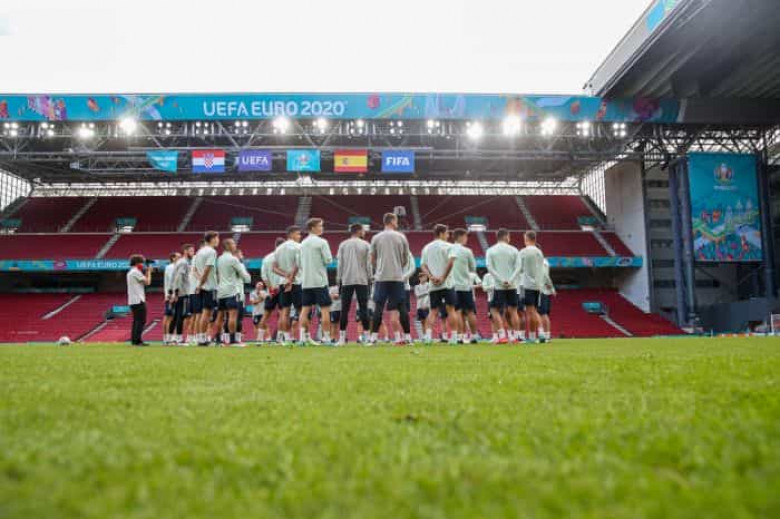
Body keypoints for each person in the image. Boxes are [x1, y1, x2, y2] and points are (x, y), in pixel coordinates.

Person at [368, 213, 411, 345]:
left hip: (381, 277)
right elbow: (405, 258)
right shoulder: (401, 237)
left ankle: (373, 338)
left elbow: (372, 258)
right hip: (397, 277)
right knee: (402, 307)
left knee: (378, 307)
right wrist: (398, 266)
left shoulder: (376, 237)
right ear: (392, 221)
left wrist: (379, 268)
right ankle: (408, 338)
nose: (397, 222)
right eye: (396, 220)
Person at [421, 224, 459, 344]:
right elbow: (451, 262)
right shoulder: (449, 246)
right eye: (447, 233)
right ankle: (454, 338)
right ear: (441, 233)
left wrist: (431, 277)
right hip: (447, 283)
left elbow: (423, 265)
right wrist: (443, 277)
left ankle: (428, 337)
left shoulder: (426, 247)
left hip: (433, 285)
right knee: (451, 310)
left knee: (433, 311)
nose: (448, 236)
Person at [336, 223, 372, 345]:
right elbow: (368, 264)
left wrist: (339, 279)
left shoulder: (343, 244)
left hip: (347, 280)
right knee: (364, 309)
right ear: (359, 231)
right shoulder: (366, 245)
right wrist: (370, 277)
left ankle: (341, 338)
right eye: (363, 230)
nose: (364, 232)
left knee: (344, 309)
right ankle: (367, 337)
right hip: (362, 280)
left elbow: (340, 264)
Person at [299, 218, 333, 345]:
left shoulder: (302, 243)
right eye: (320, 226)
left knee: (305, 310)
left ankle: (302, 338)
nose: (322, 228)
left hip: (306, 282)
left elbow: (299, 263)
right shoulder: (322, 242)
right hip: (320, 281)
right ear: (313, 228)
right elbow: (328, 260)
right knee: (325, 310)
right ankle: (327, 338)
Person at [485, 228, 522, 344]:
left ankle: (502, 336)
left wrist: (501, 280)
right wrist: (510, 280)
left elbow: (490, 267)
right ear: (506, 236)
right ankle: (516, 337)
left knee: (494, 310)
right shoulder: (514, 250)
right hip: (512, 285)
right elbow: (518, 267)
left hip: (499, 286)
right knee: (513, 311)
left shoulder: (490, 250)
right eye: (509, 236)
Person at [215, 238, 251, 346]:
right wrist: (247, 277)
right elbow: (246, 277)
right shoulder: (233, 259)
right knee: (232, 315)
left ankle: (218, 340)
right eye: (233, 244)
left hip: (221, 291)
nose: (235, 245)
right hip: (232, 290)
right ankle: (232, 340)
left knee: (220, 316)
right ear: (228, 246)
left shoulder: (219, 259)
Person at [515, 231, 546, 344]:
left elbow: (518, 268)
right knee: (533, 310)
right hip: (537, 285)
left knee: (530, 311)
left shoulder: (523, 251)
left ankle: (539, 334)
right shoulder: (539, 252)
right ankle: (534, 336)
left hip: (526, 284)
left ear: (527, 239)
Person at [273, 226, 303, 345]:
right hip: (296, 282)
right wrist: (290, 279)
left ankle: (286, 338)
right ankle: (303, 337)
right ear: (291, 234)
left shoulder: (278, 248)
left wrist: (285, 275)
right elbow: (298, 264)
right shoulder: (298, 247)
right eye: (298, 234)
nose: (300, 236)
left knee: (285, 311)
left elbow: (274, 268)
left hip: (283, 283)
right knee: (301, 310)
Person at [450, 228, 478, 344]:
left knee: (457, 311)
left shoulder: (448, 249)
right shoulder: (467, 251)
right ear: (461, 236)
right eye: (465, 236)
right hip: (465, 285)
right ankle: (474, 336)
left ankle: (460, 337)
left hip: (453, 286)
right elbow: (473, 268)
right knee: (470, 311)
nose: (466, 239)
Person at [194, 231, 219, 346]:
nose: (218, 240)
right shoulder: (212, 251)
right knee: (207, 313)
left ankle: (201, 338)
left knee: (203, 313)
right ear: (212, 239)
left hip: (203, 285)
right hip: (209, 286)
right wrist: (201, 283)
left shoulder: (199, 251)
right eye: (217, 238)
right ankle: (203, 339)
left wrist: (200, 283)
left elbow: (195, 270)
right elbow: (207, 270)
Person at [260, 237, 285, 343]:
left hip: (271, 289)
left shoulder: (267, 258)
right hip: (282, 289)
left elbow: (263, 276)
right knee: (283, 313)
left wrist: (270, 288)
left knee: (266, 315)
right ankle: (279, 339)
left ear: (275, 245)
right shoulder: (284, 258)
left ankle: (259, 338)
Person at [171, 244, 195, 345]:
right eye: (191, 251)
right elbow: (178, 278)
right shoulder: (183, 262)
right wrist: (176, 293)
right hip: (183, 293)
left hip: (181, 292)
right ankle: (179, 339)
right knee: (181, 316)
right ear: (185, 251)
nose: (193, 253)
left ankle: (174, 338)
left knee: (178, 316)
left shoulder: (182, 262)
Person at [126, 254, 152, 346]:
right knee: (141, 320)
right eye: (142, 262)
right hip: (138, 299)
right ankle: (138, 340)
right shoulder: (136, 272)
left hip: (133, 300)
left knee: (136, 320)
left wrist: (146, 272)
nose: (143, 265)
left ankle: (135, 340)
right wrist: (149, 272)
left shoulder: (131, 272)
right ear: (137, 263)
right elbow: (147, 282)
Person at [162, 252, 180, 345]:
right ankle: (168, 338)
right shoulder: (171, 267)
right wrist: (171, 295)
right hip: (172, 295)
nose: (180, 258)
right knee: (169, 317)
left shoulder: (171, 267)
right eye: (178, 257)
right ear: (173, 258)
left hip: (171, 294)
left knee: (171, 317)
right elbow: (171, 282)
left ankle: (168, 338)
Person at [538, 257, 555, 343]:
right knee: (544, 314)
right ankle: (546, 335)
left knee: (542, 314)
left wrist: (552, 287)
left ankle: (544, 336)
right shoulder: (546, 262)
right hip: (545, 290)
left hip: (541, 290)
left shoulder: (541, 262)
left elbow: (545, 275)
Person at [414, 272, 431, 342]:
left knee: (427, 321)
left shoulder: (429, 285)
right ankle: (424, 336)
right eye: (421, 277)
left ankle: (428, 336)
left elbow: (430, 293)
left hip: (427, 305)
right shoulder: (417, 286)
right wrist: (426, 292)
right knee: (422, 322)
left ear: (426, 278)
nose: (422, 278)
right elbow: (417, 295)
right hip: (419, 306)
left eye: (424, 277)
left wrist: (423, 294)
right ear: (419, 278)